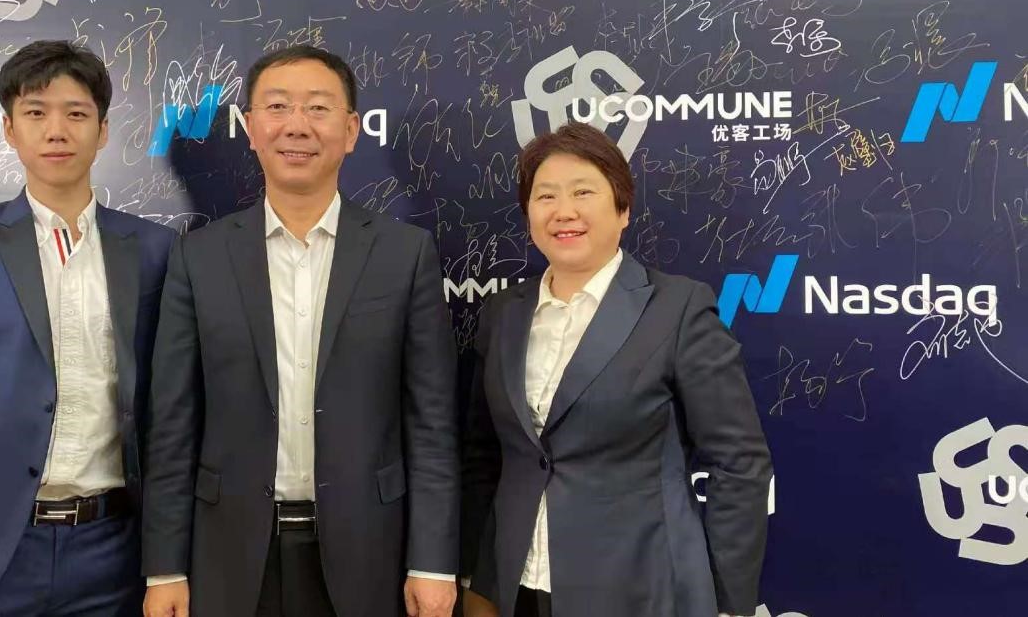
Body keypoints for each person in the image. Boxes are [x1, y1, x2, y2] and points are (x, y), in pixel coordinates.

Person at [141, 45, 459, 617]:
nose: (297, 125)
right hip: (231, 553)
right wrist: (165, 567)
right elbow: (173, 424)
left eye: (317, 107)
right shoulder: (199, 257)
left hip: (370, 551)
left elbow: (431, 422)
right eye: (278, 106)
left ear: (351, 130)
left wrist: (433, 562)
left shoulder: (404, 254)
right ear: (251, 128)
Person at [0, 40, 176, 616]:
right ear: (9, 129)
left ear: (103, 131)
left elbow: (169, 418)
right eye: (36, 112)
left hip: (114, 554)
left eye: (76, 113)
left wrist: (167, 564)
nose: (56, 131)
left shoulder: (154, 249)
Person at [460, 122, 773, 617]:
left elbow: (739, 462)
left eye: (583, 192)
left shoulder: (678, 308)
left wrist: (728, 602)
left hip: (641, 587)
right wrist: (473, 573)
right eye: (546, 196)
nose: (564, 211)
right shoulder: (503, 313)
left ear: (623, 209)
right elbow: (483, 454)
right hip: (515, 584)